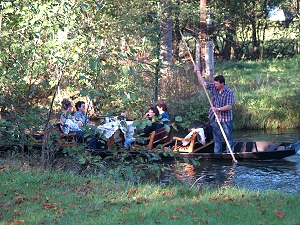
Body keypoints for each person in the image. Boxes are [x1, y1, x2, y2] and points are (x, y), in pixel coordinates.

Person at [194, 68, 234, 153]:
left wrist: (218, 109)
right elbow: (203, 83)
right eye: (214, 83)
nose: (215, 85)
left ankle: (230, 153)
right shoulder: (214, 87)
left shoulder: (229, 92)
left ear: (222, 84)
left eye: (217, 84)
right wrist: (198, 73)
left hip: (226, 118)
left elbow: (229, 107)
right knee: (216, 137)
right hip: (215, 118)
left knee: (228, 137)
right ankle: (217, 154)